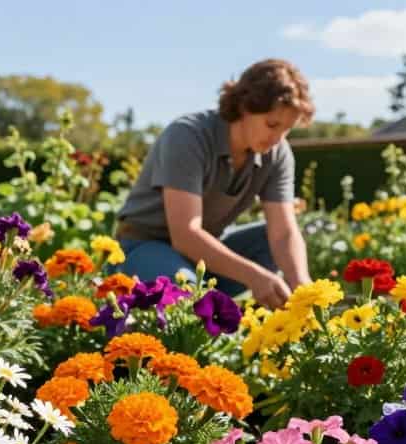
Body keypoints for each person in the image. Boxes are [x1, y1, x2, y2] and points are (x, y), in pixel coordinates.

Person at [114, 59, 314, 307]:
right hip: (144, 246)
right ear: (244, 107)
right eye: (271, 124)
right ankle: (198, 304)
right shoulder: (188, 136)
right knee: (184, 295)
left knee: (272, 240)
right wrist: (254, 276)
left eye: (287, 129)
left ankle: (207, 303)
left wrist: (303, 288)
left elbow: (283, 233)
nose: (277, 139)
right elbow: (185, 235)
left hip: (202, 257)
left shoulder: (277, 154)